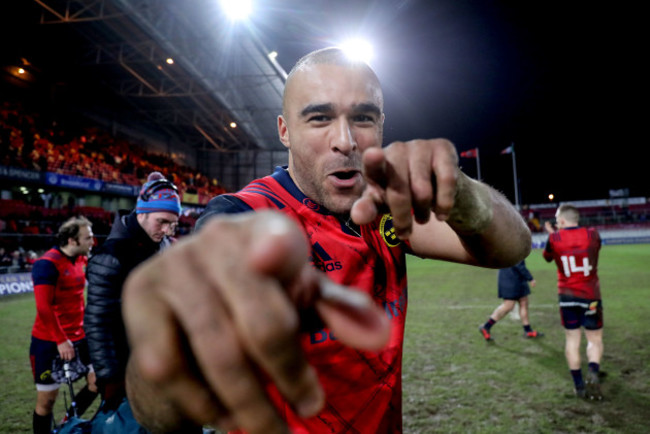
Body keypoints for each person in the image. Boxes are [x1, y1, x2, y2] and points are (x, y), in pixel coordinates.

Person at [121, 47, 532, 433]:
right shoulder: (242, 219)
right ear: (285, 131)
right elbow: (159, 416)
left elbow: (510, 248)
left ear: (382, 125)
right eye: (319, 118)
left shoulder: (387, 205)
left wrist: (460, 193)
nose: (345, 141)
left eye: (364, 118)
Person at [84, 172, 181, 425]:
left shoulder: (163, 244)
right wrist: (109, 376)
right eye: (162, 222)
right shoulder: (111, 255)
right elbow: (97, 322)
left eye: (172, 223)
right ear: (142, 213)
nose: (167, 230)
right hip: (128, 371)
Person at [29, 216, 97, 434]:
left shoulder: (81, 260)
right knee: (46, 402)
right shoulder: (46, 265)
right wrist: (61, 340)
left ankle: (66, 423)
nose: (92, 242)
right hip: (49, 343)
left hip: (80, 337)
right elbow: (44, 308)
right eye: (88, 237)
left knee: (98, 382)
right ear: (72, 240)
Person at [543, 204, 604, 400]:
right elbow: (592, 248)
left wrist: (553, 234)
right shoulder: (593, 234)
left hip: (567, 295)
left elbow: (547, 257)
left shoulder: (554, 238)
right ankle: (593, 370)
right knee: (594, 339)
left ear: (561, 221)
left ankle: (578, 386)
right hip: (591, 294)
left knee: (572, 340)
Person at [479, 259, 544, 341]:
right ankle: (486, 326)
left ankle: (528, 330)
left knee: (523, 302)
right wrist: (530, 278)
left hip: (510, 277)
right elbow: (518, 264)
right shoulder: (516, 248)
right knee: (509, 305)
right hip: (512, 279)